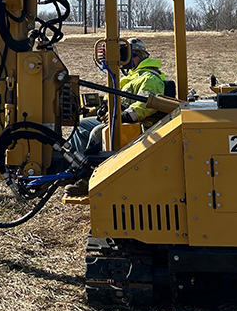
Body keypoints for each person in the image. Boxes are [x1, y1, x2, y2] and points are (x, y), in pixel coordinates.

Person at [64, 38, 166, 196]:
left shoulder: (149, 78)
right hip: (116, 118)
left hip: (138, 124)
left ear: (137, 56)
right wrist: (99, 110)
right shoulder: (132, 76)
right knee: (81, 126)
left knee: (98, 133)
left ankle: (89, 178)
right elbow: (115, 99)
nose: (123, 62)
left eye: (125, 56)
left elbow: (146, 104)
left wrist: (124, 116)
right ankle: (74, 168)